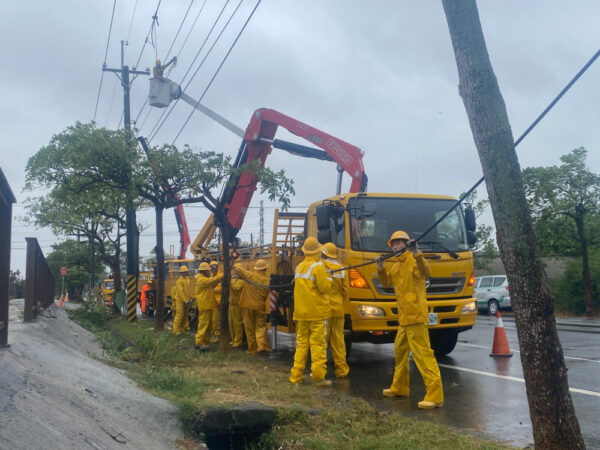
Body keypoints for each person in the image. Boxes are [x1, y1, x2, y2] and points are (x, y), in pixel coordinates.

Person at [376, 230, 444, 409]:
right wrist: (380, 267)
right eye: (393, 244)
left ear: (406, 244)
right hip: (404, 318)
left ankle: (435, 396)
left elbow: (426, 272)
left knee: (423, 355)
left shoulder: (414, 260)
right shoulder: (396, 266)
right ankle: (399, 388)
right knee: (399, 352)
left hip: (416, 316)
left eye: (399, 243)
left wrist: (417, 253)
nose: (396, 246)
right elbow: (385, 283)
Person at [290, 237, 332, 386]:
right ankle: (319, 378)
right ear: (318, 251)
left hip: (301, 314)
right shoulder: (318, 267)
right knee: (318, 345)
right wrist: (328, 276)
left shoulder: (299, 267)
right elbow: (325, 288)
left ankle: (296, 376)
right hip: (317, 313)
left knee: (301, 344)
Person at [321, 242, 350, 378]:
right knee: (338, 341)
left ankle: (320, 371)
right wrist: (338, 302)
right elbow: (345, 291)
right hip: (338, 310)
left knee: (322, 341)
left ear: (323, 253)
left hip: (324, 310)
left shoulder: (320, 267)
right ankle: (341, 370)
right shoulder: (342, 269)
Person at [233, 259, 270, 354]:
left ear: (256, 268)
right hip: (260, 307)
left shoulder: (251, 276)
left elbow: (238, 269)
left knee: (249, 328)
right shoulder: (268, 281)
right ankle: (261, 346)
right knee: (260, 327)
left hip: (248, 306)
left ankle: (252, 349)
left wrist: (236, 264)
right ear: (265, 269)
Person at [194, 262, 223, 350]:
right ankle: (198, 342)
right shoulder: (201, 279)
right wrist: (223, 275)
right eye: (208, 271)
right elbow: (211, 281)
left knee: (207, 325)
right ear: (204, 271)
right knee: (203, 325)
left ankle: (205, 342)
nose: (209, 272)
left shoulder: (203, 278)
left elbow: (212, 283)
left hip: (207, 305)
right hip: (205, 305)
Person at [173, 266, 192, 335]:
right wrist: (185, 300)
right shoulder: (179, 281)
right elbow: (180, 292)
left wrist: (189, 299)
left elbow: (188, 290)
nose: (184, 273)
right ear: (180, 273)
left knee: (185, 315)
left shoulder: (187, 279)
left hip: (187, 300)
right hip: (180, 301)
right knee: (180, 314)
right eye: (183, 272)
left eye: (185, 272)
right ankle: (176, 330)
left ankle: (182, 328)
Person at [228, 273, 245, 347]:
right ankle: (233, 339)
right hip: (231, 304)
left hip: (237, 305)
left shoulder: (242, 281)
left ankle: (238, 341)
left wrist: (229, 282)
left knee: (237, 323)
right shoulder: (233, 280)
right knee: (231, 322)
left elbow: (236, 288)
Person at [209, 260, 221, 343]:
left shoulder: (220, 276)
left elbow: (221, 287)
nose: (213, 269)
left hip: (219, 302)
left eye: (214, 267)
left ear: (217, 267)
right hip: (212, 302)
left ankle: (218, 335)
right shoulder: (211, 277)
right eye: (211, 268)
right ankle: (214, 334)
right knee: (213, 319)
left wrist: (214, 289)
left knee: (217, 320)